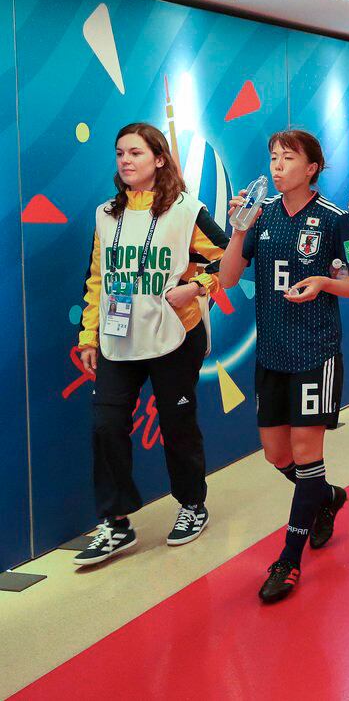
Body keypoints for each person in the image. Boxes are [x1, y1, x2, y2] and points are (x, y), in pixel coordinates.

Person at [218, 130, 349, 603]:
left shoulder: (334, 220)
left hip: (316, 354)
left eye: (288, 157)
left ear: (312, 169)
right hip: (272, 357)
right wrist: (239, 228)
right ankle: (325, 497)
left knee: (307, 455)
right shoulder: (260, 219)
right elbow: (225, 279)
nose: (277, 165)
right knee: (277, 455)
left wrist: (325, 281)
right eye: (273, 157)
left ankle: (288, 559)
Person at [74, 123, 228, 566]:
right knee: (106, 426)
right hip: (118, 338)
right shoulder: (106, 214)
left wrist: (198, 286)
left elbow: (227, 254)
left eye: (136, 153)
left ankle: (191, 504)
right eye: (120, 153)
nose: (126, 161)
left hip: (174, 334)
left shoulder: (185, 209)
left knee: (177, 425)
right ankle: (116, 522)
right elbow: (97, 279)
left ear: (159, 159)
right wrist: (89, 336)